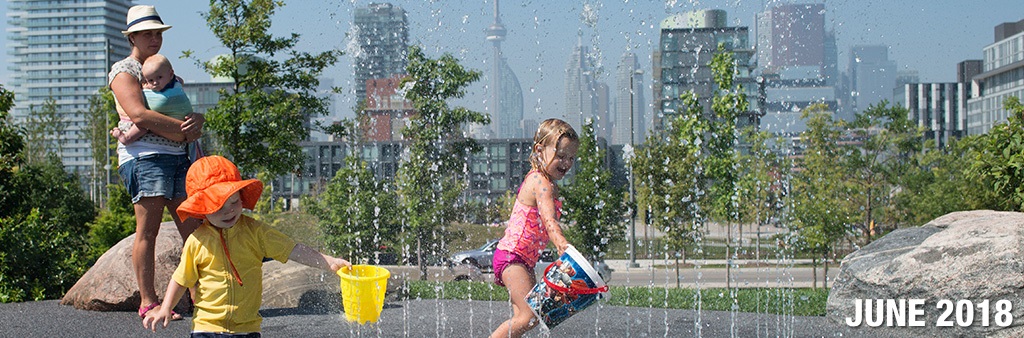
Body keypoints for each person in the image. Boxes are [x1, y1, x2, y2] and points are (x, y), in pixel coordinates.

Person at [142, 155, 353, 336]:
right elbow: (181, 278)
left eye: (234, 202)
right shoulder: (197, 240)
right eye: (217, 207)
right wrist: (166, 308)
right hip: (207, 327)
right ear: (202, 208)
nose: (229, 211)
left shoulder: (256, 232)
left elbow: (293, 249)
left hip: (247, 328)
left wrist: (328, 262)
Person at [109, 5, 205, 320]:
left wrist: (197, 121)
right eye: (147, 33)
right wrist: (181, 130)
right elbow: (139, 115)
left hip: (180, 158)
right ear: (132, 36)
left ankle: (200, 298)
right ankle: (148, 301)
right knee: (147, 231)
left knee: (194, 230)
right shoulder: (124, 70)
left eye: (158, 32)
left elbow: (180, 107)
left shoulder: (165, 68)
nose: (154, 38)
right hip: (146, 158)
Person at [490, 118, 579, 338]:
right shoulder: (541, 182)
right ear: (539, 150)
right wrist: (561, 244)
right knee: (529, 316)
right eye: (560, 155)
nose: (566, 163)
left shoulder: (546, 182)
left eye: (571, 158)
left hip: (522, 260)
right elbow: (549, 220)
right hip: (512, 257)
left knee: (523, 318)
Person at [111, 54, 193, 145]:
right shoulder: (175, 82)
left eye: (159, 78)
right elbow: (140, 117)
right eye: (150, 80)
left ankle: (127, 137)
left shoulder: (156, 91)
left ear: (170, 74)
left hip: (176, 142)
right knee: (145, 123)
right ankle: (127, 138)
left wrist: (145, 88)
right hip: (173, 136)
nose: (155, 83)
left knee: (146, 124)